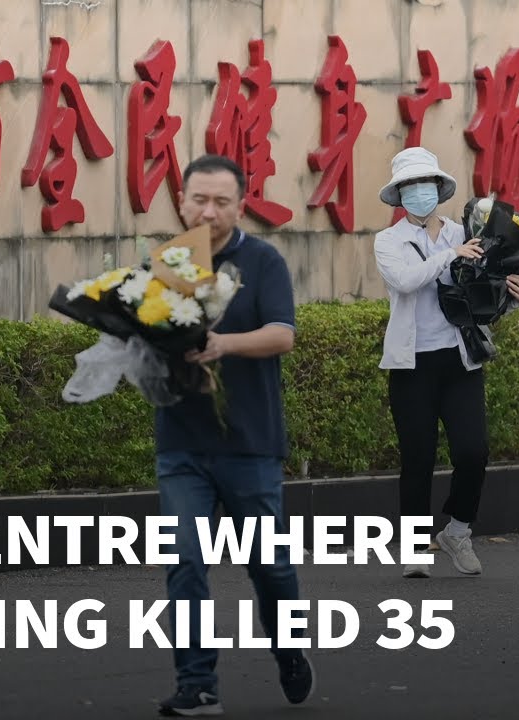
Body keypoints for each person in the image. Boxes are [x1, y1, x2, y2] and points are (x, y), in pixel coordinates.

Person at [153, 154, 313, 716]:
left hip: (250, 443)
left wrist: (222, 344)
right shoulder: (169, 263)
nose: (209, 211)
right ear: (182, 202)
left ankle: (289, 650)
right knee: (185, 561)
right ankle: (197, 684)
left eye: (221, 202)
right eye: (199, 200)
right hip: (181, 442)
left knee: (269, 567)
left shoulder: (263, 261)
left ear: (240, 207)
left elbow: (282, 334)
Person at [372, 147, 519, 579]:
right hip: (411, 366)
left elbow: (485, 297)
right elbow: (406, 281)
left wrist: (516, 297)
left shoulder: (466, 232)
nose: (419, 192)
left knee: (473, 451)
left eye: (425, 183)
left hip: (460, 361)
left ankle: (458, 531)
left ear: (438, 188)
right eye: (410, 185)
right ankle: (414, 548)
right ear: (399, 194)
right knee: (418, 458)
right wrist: (451, 255)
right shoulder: (389, 241)